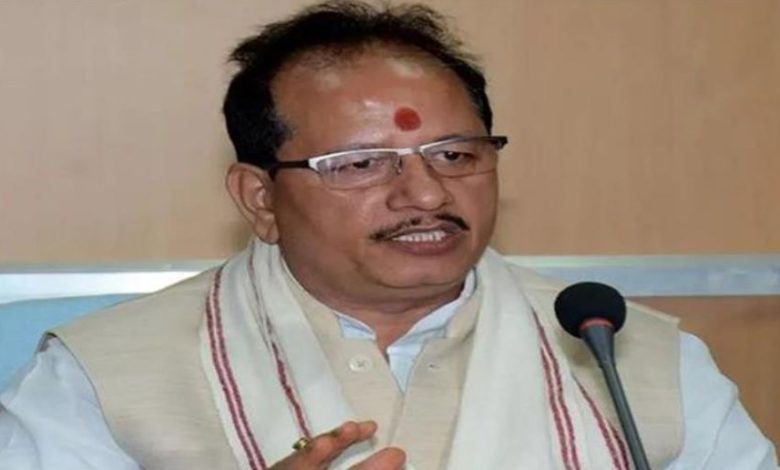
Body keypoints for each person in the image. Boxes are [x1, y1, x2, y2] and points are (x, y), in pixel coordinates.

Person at [0, 2, 777, 469]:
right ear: (260, 198)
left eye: (456, 155)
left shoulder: (633, 361)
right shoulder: (103, 377)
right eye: (360, 164)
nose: (426, 194)